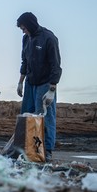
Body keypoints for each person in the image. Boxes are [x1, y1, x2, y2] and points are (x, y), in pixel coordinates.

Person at [16, 12, 62, 160]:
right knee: (27, 116)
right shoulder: (26, 39)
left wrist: (52, 89)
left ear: (30, 24)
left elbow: (56, 65)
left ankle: (46, 150)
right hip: (30, 82)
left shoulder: (49, 38)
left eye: (24, 28)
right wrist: (20, 82)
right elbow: (25, 61)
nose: (23, 31)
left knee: (45, 118)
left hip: (45, 83)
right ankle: (27, 150)